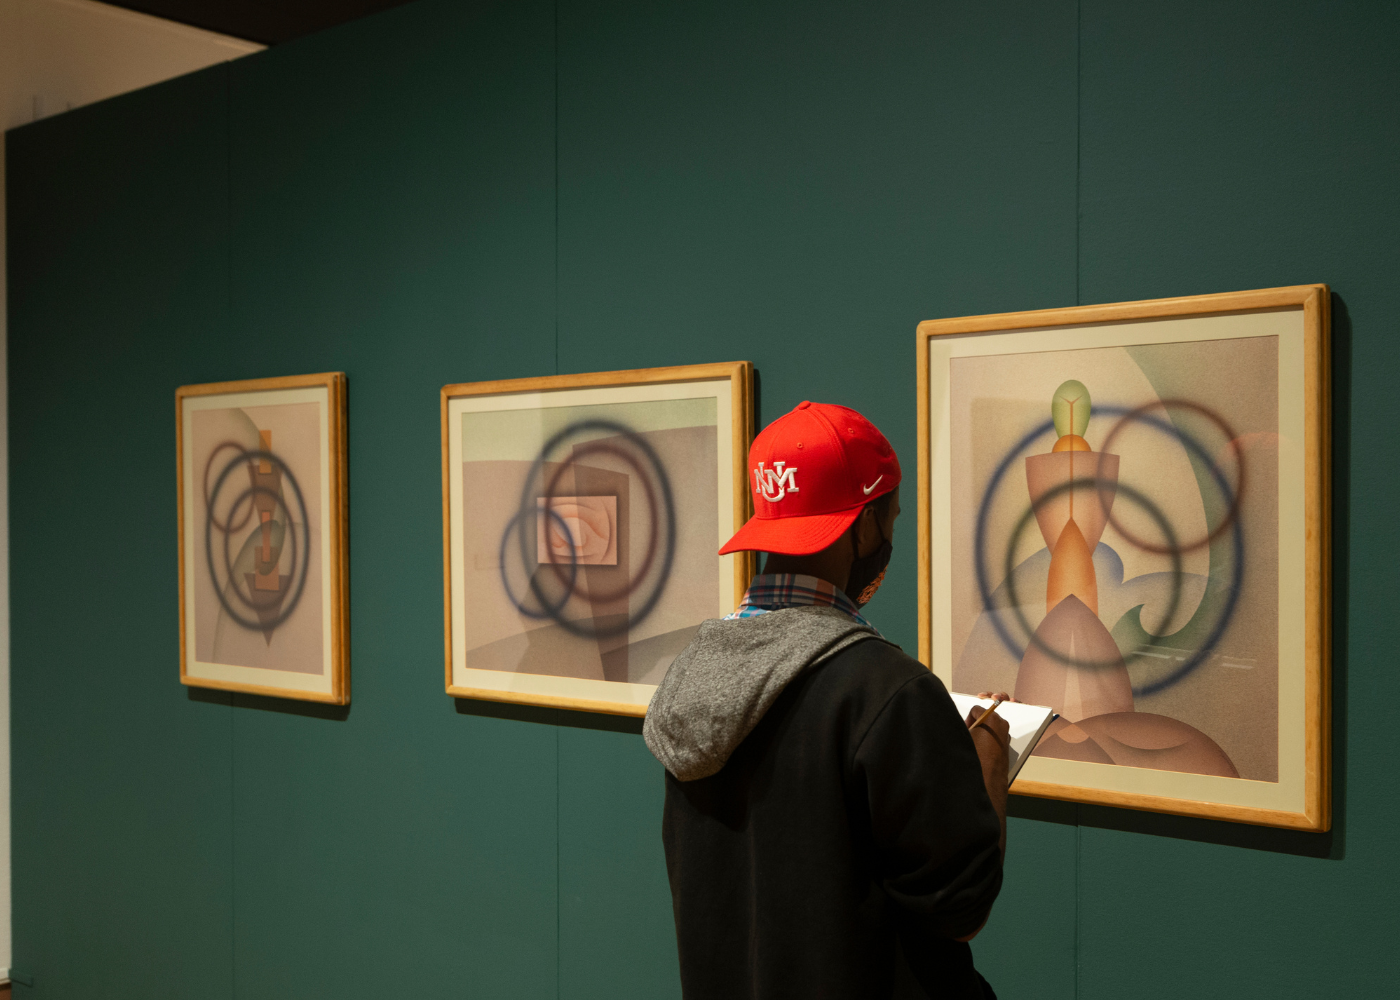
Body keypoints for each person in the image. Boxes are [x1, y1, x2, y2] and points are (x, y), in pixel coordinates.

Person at [644, 400, 1011, 1000]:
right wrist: (990, 759)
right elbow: (959, 909)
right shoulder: (888, 691)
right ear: (863, 526)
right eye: (890, 517)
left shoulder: (690, 675)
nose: (890, 537)